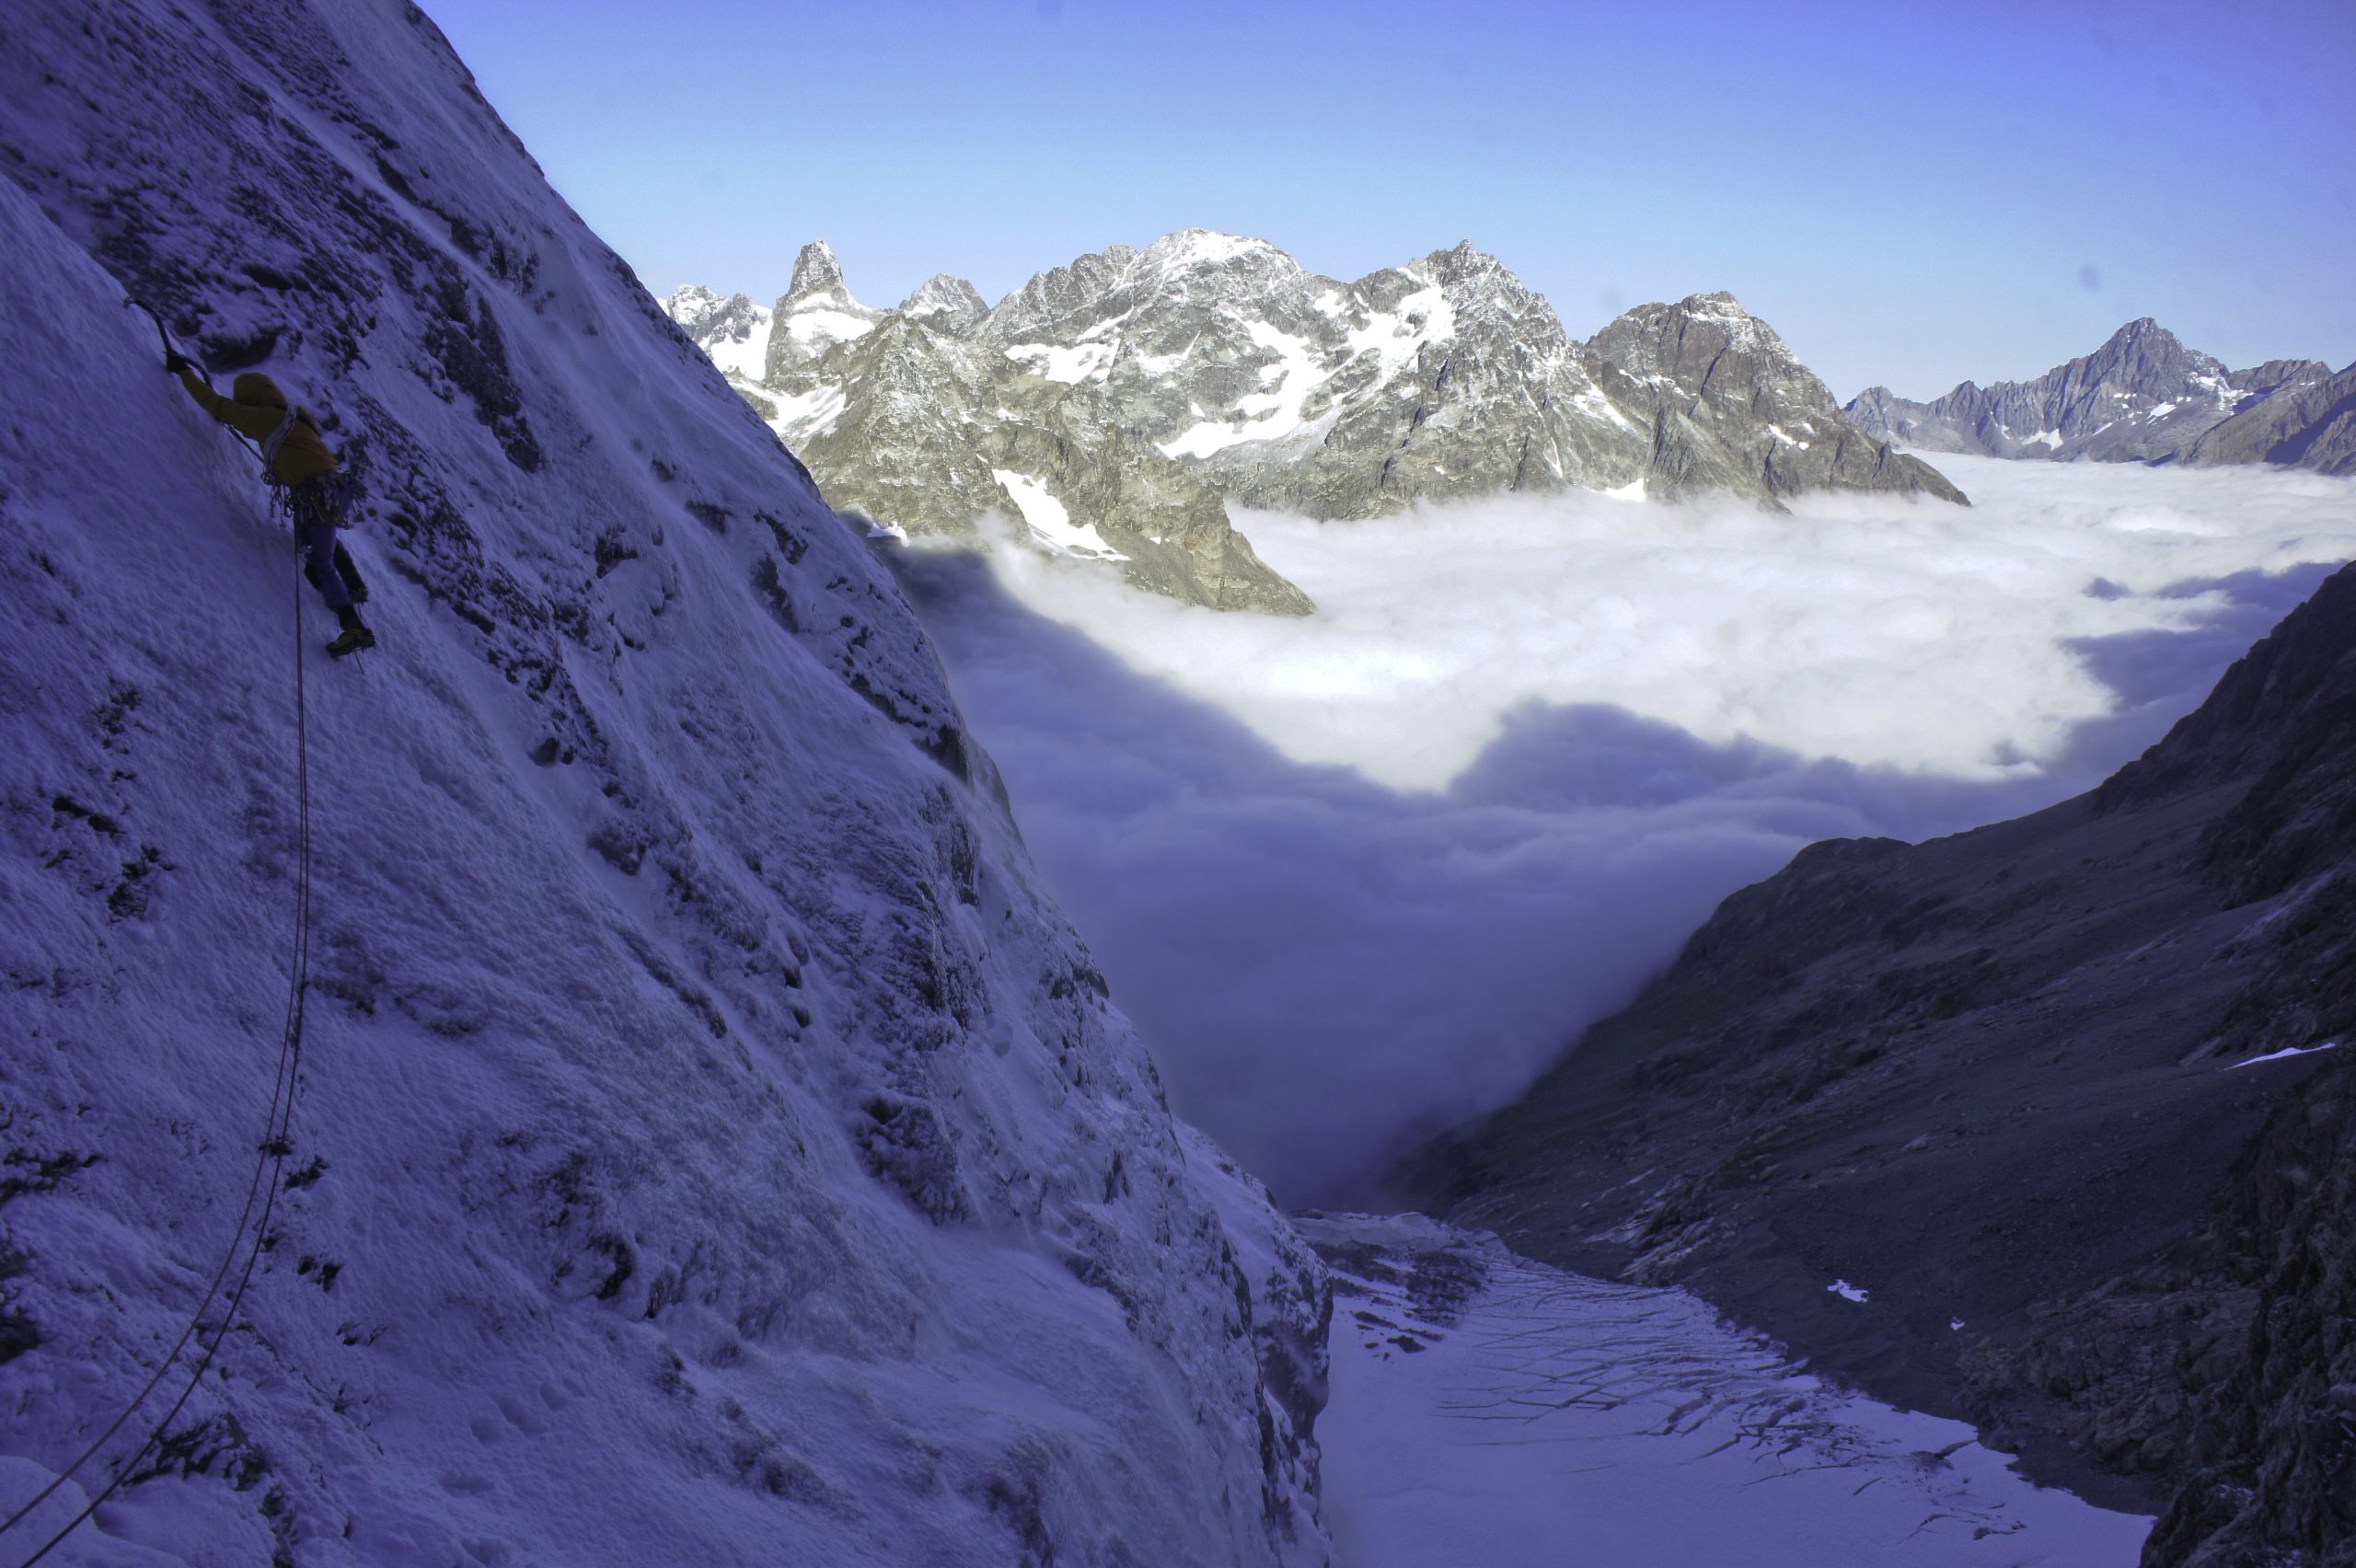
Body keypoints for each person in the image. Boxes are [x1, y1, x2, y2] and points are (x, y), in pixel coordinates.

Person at [168, 354, 377, 657]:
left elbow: (216, 405)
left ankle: (352, 624)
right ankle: (354, 586)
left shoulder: (264, 418)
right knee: (321, 536)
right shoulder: (298, 415)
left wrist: (185, 373)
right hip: (336, 490)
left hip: (316, 495)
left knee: (320, 564)